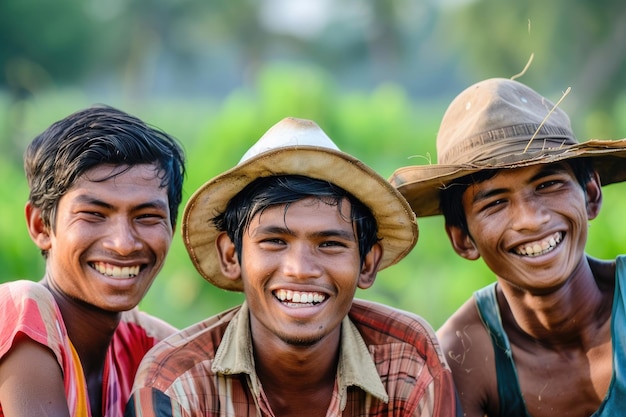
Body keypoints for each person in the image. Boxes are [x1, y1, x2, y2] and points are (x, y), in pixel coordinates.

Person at [125, 117, 461, 417]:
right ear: (231, 256)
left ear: (368, 264)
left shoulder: (408, 360)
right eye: (275, 241)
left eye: (330, 244)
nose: (301, 269)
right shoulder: (177, 383)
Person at [389, 77, 626, 417]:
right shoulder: (463, 359)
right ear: (462, 238)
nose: (530, 219)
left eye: (548, 184)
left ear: (590, 194)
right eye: (495, 203)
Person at [0, 105, 186, 417]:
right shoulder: (17, 310)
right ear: (41, 226)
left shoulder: (152, 345)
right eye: (94, 215)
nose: (124, 245)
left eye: (147, 217)